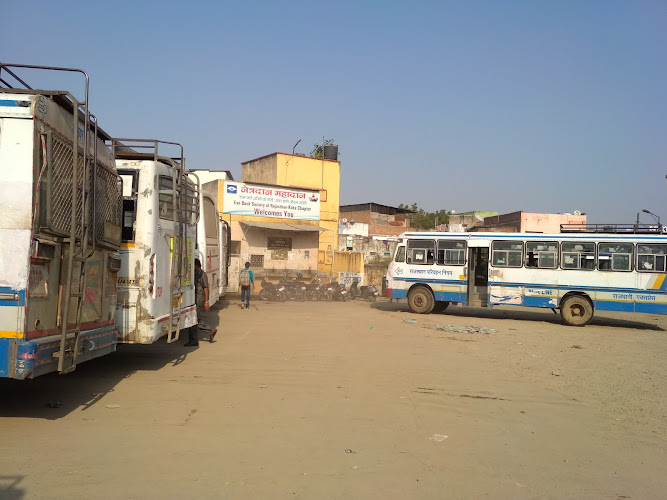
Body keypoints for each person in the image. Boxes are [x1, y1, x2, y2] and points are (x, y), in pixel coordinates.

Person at [185, 258, 217, 346]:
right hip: (193, 298)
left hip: (199, 299)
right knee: (194, 319)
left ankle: (194, 340)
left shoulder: (202, 274)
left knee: (193, 320)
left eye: (193, 265)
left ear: (197, 265)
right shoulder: (193, 274)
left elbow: (206, 288)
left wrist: (206, 302)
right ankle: (210, 331)